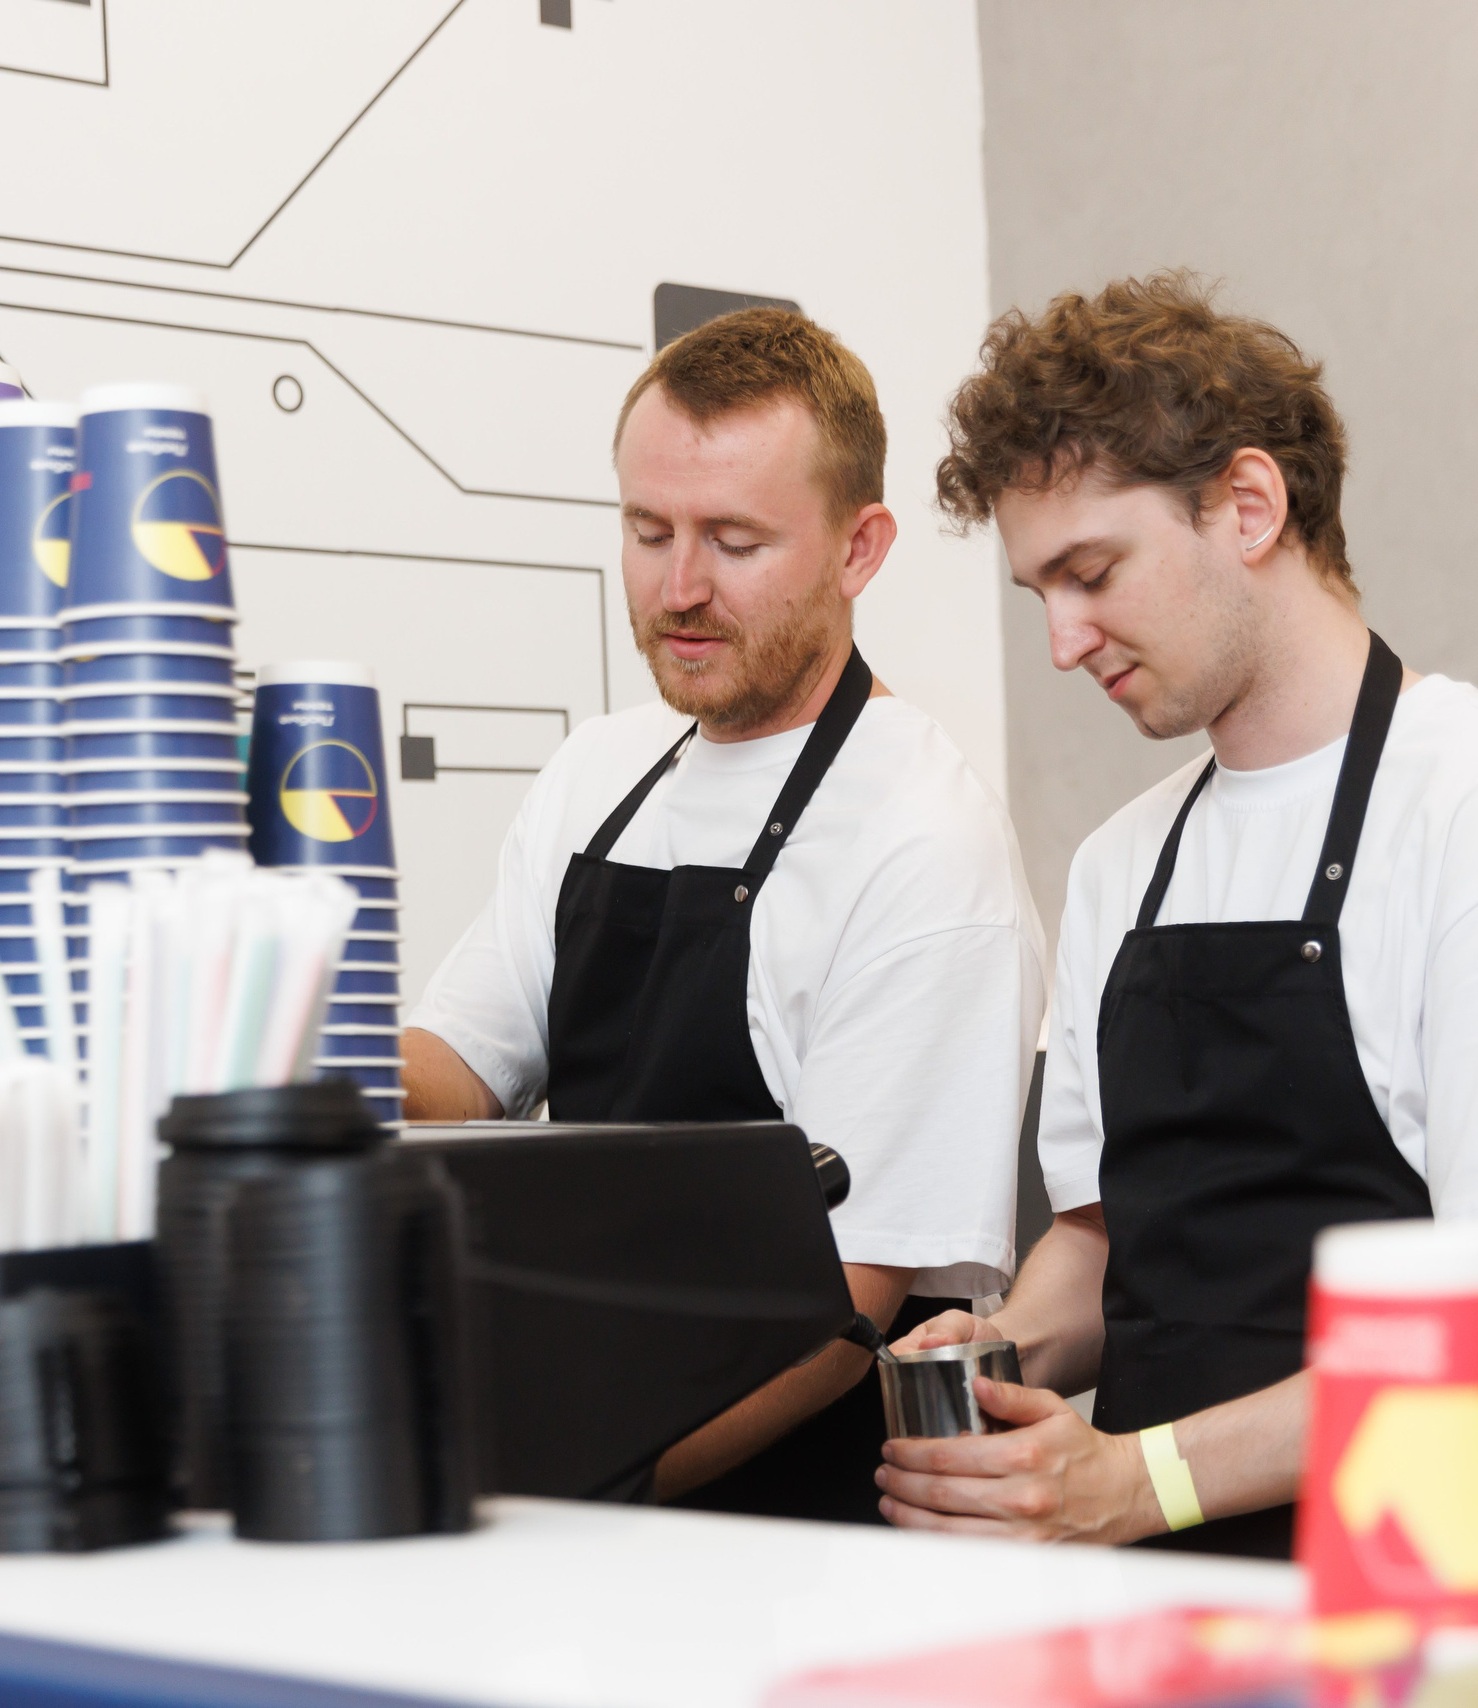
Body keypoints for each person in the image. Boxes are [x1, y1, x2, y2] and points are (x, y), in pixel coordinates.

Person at [878, 274, 1478, 1566]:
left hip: (1439, 1604)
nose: (1064, 641)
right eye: (1039, 594)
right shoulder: (1123, 864)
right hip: (1158, 1609)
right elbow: (1101, 1242)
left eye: (1092, 574)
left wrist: (1139, 1482)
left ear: (1248, 506)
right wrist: (1000, 1349)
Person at [401, 308, 1044, 1522]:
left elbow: (845, 1311)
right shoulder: (595, 775)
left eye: (735, 541)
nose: (679, 588)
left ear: (859, 549)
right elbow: (460, 1067)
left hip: (796, 1518)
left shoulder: (919, 841)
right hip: (576, 1446)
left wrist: (581, 1488)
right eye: (648, 532)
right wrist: (310, 1068)